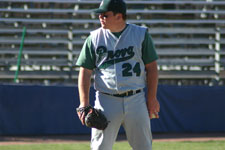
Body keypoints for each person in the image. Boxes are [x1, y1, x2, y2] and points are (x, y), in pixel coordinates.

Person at [76, 0, 160, 149]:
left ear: (119, 16)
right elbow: (85, 72)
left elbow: (152, 68)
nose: (100, 17)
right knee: (99, 148)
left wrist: (152, 98)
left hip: (136, 99)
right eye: (99, 14)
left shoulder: (140, 34)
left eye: (105, 14)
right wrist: (84, 103)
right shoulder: (94, 38)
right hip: (106, 100)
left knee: (144, 147)